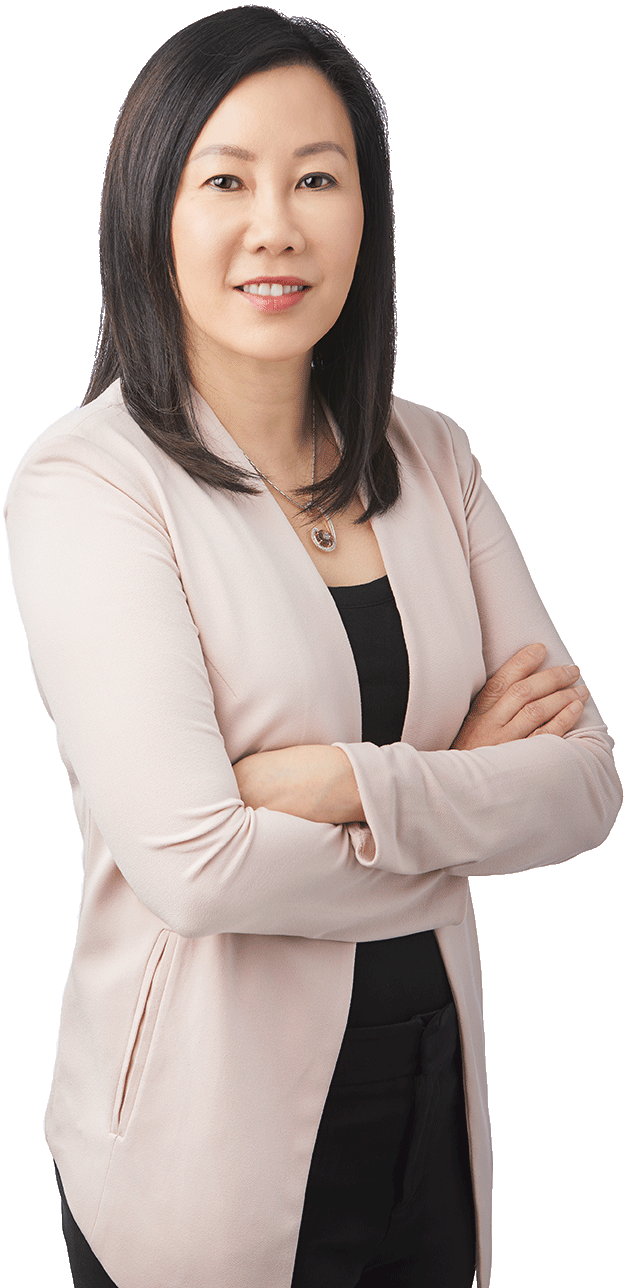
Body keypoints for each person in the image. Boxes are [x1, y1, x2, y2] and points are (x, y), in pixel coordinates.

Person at [4, 9, 621, 1288]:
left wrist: (344, 783)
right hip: (201, 1145)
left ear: (366, 215)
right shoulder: (90, 484)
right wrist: (462, 799)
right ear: (149, 212)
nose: (275, 226)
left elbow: (584, 786)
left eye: (318, 180)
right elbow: (197, 868)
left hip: (431, 1109)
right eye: (226, 180)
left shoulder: (431, 455)